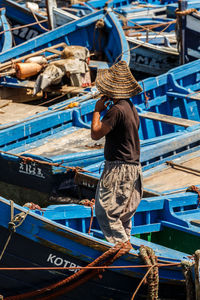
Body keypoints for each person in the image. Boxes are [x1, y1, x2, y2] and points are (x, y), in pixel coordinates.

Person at [91, 60, 143, 245]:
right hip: (134, 167)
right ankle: (125, 243)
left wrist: (97, 111)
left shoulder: (116, 110)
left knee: (105, 212)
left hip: (119, 168)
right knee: (123, 214)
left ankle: (121, 248)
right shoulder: (130, 107)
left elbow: (96, 134)